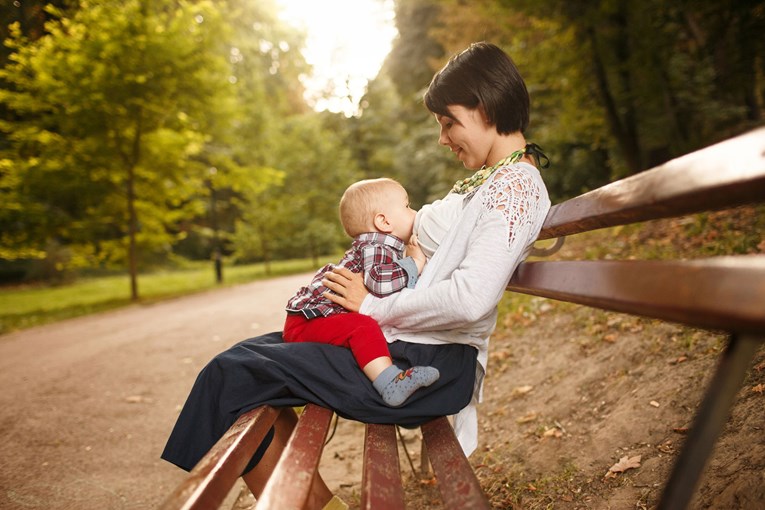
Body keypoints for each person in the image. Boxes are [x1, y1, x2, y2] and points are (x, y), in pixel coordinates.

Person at [161, 41, 551, 510]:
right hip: (406, 348)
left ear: (484, 107)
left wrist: (370, 305)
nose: (443, 138)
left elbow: (470, 298)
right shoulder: (493, 180)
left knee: (235, 373)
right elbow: (420, 224)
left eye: (449, 123)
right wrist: (373, 233)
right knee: (250, 361)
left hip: (428, 364)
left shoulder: (516, 188)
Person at [284, 177, 439, 407]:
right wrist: (414, 263)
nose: (414, 212)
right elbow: (378, 281)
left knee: (362, 327)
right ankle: (390, 382)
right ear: (384, 222)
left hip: (311, 320)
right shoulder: (377, 246)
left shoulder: (379, 247)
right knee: (362, 327)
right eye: (407, 206)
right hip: (307, 322)